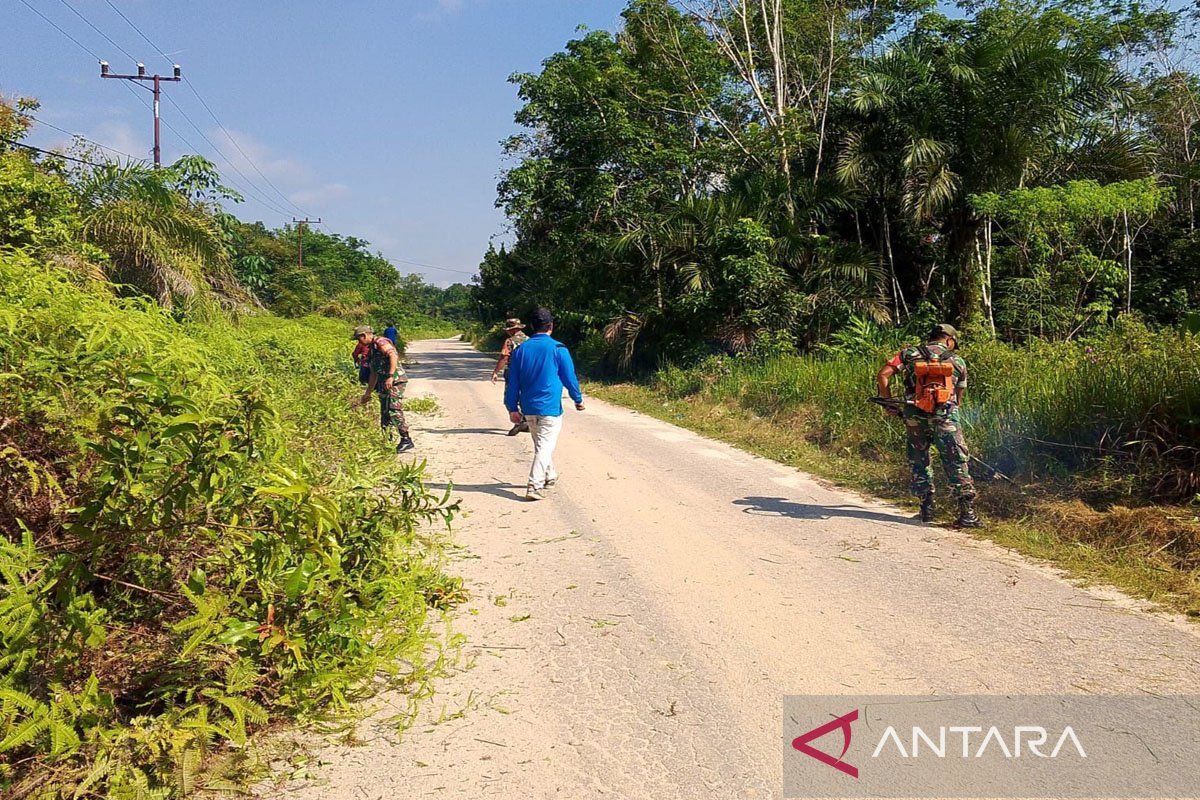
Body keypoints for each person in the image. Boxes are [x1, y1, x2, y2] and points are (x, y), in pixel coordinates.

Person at [875, 323, 981, 528]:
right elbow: (958, 399)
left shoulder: (909, 353)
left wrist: (888, 403)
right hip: (946, 418)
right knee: (956, 459)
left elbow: (883, 374)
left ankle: (927, 509)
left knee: (919, 458)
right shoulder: (957, 361)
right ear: (949, 340)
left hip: (914, 416)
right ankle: (967, 514)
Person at [503, 308, 584, 501]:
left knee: (541, 444)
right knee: (545, 446)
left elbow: (512, 381)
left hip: (528, 408)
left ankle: (550, 475)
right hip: (549, 408)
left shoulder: (521, 350)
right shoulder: (558, 349)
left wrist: (512, 407)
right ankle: (534, 484)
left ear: (531, 327)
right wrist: (578, 399)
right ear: (551, 326)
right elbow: (569, 378)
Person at [352, 325, 414, 454]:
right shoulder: (372, 350)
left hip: (395, 381)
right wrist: (367, 394)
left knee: (393, 408)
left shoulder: (381, 342)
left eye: (359, 339)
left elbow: (393, 355)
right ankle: (387, 440)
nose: (359, 342)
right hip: (383, 382)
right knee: (384, 411)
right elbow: (374, 373)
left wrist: (390, 376)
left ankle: (406, 439)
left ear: (364, 335)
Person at [491, 317, 530, 435]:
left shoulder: (509, 341)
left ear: (511, 330)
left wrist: (495, 372)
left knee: (510, 397)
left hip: (513, 372)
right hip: (527, 372)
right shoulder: (529, 340)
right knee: (524, 396)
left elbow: (504, 357)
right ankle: (527, 421)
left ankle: (520, 422)